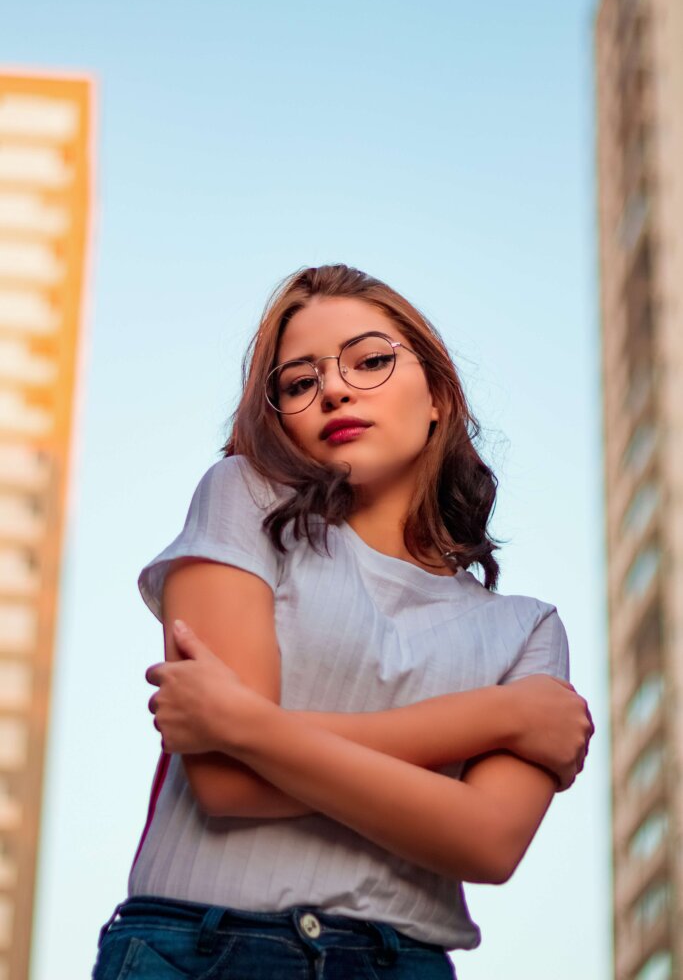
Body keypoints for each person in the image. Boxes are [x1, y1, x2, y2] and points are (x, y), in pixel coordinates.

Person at [91, 264, 594, 979]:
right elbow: (226, 784)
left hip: (400, 961)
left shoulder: (525, 630)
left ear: (438, 398)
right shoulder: (243, 499)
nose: (333, 388)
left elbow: (486, 843)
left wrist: (248, 725)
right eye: (299, 382)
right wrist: (495, 715)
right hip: (199, 949)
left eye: (370, 361)